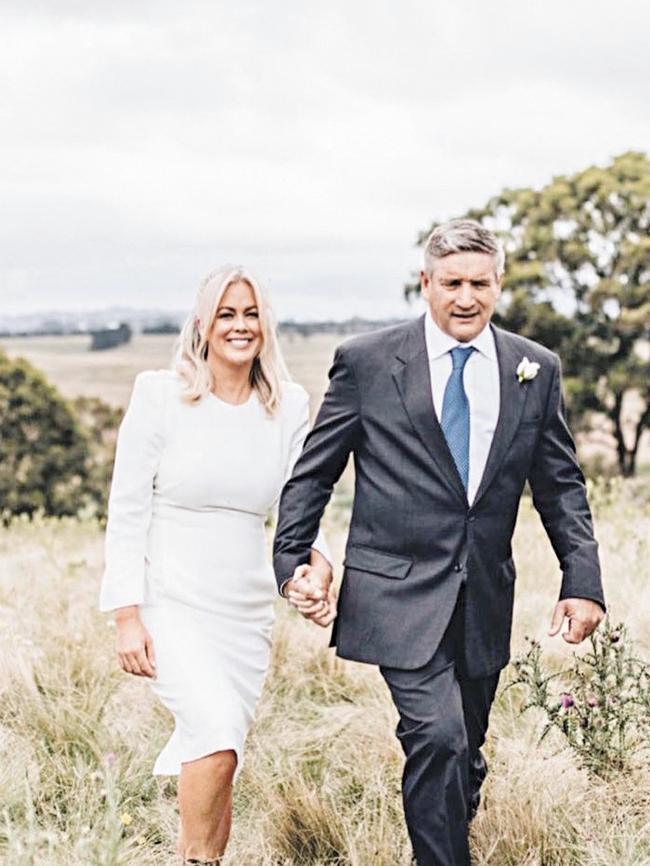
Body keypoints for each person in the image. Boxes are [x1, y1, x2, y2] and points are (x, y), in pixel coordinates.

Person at [274, 219, 605, 866]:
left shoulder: (533, 369)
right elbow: (315, 470)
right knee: (439, 739)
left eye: (479, 284)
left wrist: (582, 580)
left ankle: (451, 839)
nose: (465, 298)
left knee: (466, 752)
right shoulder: (368, 363)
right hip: (394, 592)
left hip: (483, 595)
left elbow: (561, 483)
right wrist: (292, 557)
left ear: (497, 284)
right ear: (424, 285)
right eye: (450, 282)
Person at [99, 266, 331, 866]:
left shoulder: (289, 406)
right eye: (226, 314)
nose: (240, 326)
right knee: (216, 737)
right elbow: (126, 509)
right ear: (203, 323)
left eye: (250, 314)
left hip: (244, 610)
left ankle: (203, 858)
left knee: (224, 751)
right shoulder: (159, 394)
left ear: (265, 324)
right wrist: (127, 615)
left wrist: (318, 566)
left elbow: (302, 507)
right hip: (171, 599)